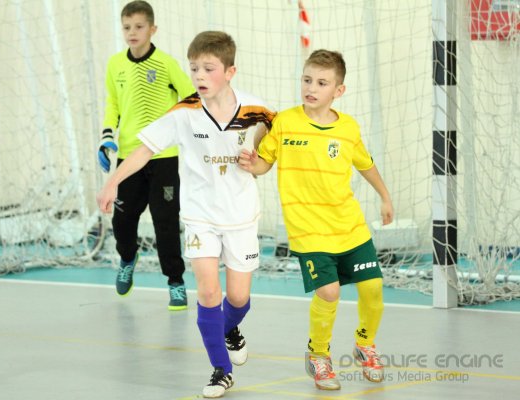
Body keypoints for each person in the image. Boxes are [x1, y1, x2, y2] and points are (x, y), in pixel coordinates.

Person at [97, 31, 274, 398]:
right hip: (199, 216)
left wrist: (258, 165)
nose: (199, 76)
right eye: (194, 68)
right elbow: (145, 149)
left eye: (208, 68)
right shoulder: (183, 113)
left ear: (230, 71)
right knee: (209, 291)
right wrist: (113, 181)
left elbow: (270, 158)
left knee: (238, 298)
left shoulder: (259, 112)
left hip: (240, 216)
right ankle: (220, 370)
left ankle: (230, 327)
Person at [238, 49, 394, 391]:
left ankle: (364, 344)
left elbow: (364, 163)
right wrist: (253, 160)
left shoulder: (348, 128)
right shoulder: (285, 122)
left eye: (322, 83)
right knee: (329, 291)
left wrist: (384, 196)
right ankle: (318, 354)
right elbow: (265, 164)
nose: (311, 87)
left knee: (373, 289)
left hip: (349, 225)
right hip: (307, 228)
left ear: (338, 91)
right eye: (307, 80)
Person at [97, 1, 194, 310]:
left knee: (165, 221)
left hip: (164, 156)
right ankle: (128, 257)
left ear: (153, 29)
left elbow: (190, 97)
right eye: (127, 27)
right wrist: (107, 138)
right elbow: (113, 103)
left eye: (139, 27)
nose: (132, 33)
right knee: (123, 221)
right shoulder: (115, 65)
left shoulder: (165, 63)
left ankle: (175, 282)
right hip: (128, 155)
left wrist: (176, 129)